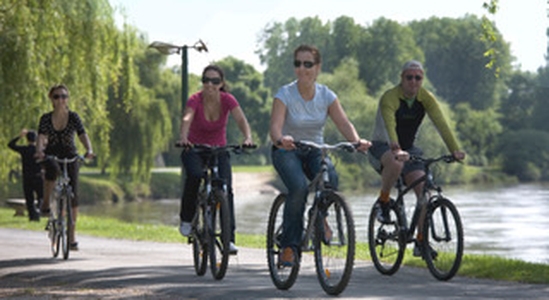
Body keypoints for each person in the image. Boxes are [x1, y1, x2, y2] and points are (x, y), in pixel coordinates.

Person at [269, 44, 371, 266]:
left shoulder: (327, 95)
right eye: (298, 64)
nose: (302, 69)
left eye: (308, 64)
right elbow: (275, 127)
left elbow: (344, 122)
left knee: (331, 179)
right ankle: (289, 246)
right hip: (287, 150)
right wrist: (281, 139)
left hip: (315, 149)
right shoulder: (285, 94)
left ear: (317, 67)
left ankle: (319, 217)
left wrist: (356, 141)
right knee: (298, 187)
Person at [368, 60, 466, 256]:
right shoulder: (390, 97)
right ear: (402, 79)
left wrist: (455, 149)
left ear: (422, 80)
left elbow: (441, 123)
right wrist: (395, 147)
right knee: (396, 163)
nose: (413, 81)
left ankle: (421, 242)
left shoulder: (426, 98)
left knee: (425, 193)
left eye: (418, 78)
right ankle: (384, 201)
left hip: (409, 149)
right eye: (409, 77)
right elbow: (389, 125)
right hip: (382, 145)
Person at [177, 65, 253, 254]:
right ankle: (187, 218)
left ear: (222, 84)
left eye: (215, 81)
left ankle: (229, 240)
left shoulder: (227, 100)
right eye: (206, 80)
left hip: (218, 150)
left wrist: (248, 138)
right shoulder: (195, 99)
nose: (210, 85)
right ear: (202, 82)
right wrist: (184, 137)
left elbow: (241, 119)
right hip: (194, 148)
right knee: (194, 176)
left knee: (226, 191)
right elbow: (187, 117)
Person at [35, 84, 94, 251]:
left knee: (73, 193)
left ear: (67, 99)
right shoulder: (46, 118)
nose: (61, 99)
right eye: (57, 97)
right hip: (52, 153)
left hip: (70, 154)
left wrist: (89, 150)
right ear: (51, 100)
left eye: (64, 96)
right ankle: (46, 203)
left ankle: (72, 236)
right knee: (52, 169)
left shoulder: (73, 117)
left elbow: (82, 134)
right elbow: (41, 137)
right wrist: (39, 151)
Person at [8, 129, 43, 221]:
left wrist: (20, 136)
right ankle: (39, 211)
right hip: (38, 176)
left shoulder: (24, 150)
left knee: (29, 198)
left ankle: (32, 217)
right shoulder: (39, 150)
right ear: (36, 140)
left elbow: (10, 145)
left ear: (27, 140)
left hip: (27, 177)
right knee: (41, 196)